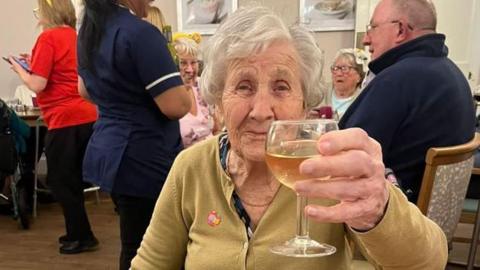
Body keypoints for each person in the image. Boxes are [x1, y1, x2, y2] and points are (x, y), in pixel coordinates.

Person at [130, 6, 447, 269]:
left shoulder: (334, 172)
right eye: (243, 86)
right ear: (218, 100)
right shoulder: (192, 167)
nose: (261, 110)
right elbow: (149, 264)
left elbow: (428, 262)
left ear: (306, 105)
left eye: (281, 87)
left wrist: (378, 211)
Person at [77, 0, 191, 269]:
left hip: (110, 151)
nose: (152, 2)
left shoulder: (90, 31)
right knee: (149, 248)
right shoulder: (140, 33)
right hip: (143, 156)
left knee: (133, 242)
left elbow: (83, 90)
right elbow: (177, 106)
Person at [339, 0, 476, 202]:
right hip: (428, 221)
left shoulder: (397, 80)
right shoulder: (454, 75)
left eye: (372, 28)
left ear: (400, 30)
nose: (366, 40)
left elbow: (341, 153)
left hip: (391, 218)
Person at [8, 0, 98, 254]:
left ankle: (82, 236)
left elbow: (37, 85)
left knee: (60, 181)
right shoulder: (76, 36)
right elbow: (63, 70)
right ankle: (78, 232)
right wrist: (33, 62)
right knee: (73, 180)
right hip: (87, 116)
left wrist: (19, 69)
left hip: (64, 119)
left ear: (47, 12)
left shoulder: (48, 38)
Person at [173, 34, 214, 147]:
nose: (190, 70)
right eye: (183, 63)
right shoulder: (169, 97)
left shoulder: (203, 86)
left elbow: (218, 129)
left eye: (193, 62)